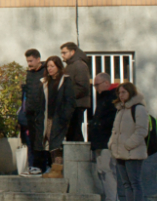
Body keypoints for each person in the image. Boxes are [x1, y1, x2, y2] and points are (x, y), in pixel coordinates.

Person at [109, 82, 149, 201]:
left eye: (123, 92)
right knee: (126, 184)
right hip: (120, 152)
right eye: (119, 93)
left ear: (130, 92)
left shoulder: (139, 108)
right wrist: (112, 144)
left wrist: (128, 144)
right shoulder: (120, 109)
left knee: (135, 183)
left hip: (133, 152)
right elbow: (115, 130)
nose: (120, 95)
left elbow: (141, 130)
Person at [39, 56, 76, 179]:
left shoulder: (65, 81)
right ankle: (53, 168)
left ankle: (57, 170)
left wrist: (64, 118)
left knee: (57, 144)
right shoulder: (45, 82)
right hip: (48, 118)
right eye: (48, 66)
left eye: (52, 66)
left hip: (59, 118)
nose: (49, 69)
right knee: (50, 144)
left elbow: (70, 102)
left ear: (59, 67)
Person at [90, 73, 120, 201]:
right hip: (100, 140)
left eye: (97, 84)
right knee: (102, 170)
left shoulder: (113, 97)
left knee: (107, 170)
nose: (95, 87)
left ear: (106, 83)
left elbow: (113, 119)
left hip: (107, 141)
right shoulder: (104, 97)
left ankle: (112, 198)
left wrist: (99, 125)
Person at [23, 48, 50, 175]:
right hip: (30, 112)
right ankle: (34, 165)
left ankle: (43, 165)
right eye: (27, 61)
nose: (29, 64)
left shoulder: (46, 72)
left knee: (41, 140)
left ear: (38, 59)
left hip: (42, 111)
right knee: (32, 140)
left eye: (31, 61)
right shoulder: (29, 74)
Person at [60, 42, 91, 142]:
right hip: (73, 104)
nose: (62, 55)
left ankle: (78, 155)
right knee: (72, 132)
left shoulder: (79, 65)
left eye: (64, 53)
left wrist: (68, 97)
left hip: (77, 104)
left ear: (72, 52)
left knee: (74, 132)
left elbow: (82, 86)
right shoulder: (71, 65)